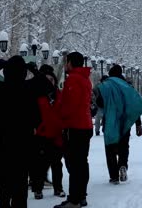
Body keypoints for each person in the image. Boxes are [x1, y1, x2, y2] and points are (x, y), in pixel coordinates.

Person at [0, 57, 42, 208]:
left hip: (4, 143)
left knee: (4, 181)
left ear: (6, 72)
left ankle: (4, 204)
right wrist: (33, 69)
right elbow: (46, 85)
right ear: (23, 72)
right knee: (21, 185)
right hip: (24, 143)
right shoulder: (29, 88)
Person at [94, 65, 142, 184]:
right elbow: (134, 106)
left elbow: (100, 103)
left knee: (110, 148)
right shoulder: (128, 86)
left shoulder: (106, 86)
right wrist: (138, 124)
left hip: (110, 121)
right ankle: (123, 165)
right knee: (124, 146)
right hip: (125, 121)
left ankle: (114, 176)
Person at [55, 52, 93, 208]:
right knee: (82, 163)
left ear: (70, 62)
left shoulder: (73, 80)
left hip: (74, 127)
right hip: (84, 125)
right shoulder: (85, 79)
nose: (65, 65)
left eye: (66, 61)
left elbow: (70, 105)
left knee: (74, 164)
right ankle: (81, 196)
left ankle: (74, 200)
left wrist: (60, 114)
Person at [31, 65, 65, 200]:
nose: (49, 82)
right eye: (46, 79)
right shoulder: (37, 96)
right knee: (40, 164)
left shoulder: (59, 95)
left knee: (57, 163)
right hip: (41, 134)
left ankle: (58, 188)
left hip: (57, 134)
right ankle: (37, 189)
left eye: (51, 79)